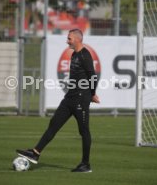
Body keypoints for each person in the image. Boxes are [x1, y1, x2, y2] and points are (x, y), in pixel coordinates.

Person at [16, 29, 100, 173]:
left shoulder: (85, 55)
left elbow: (93, 76)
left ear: (78, 39)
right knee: (54, 124)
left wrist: (92, 94)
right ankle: (35, 153)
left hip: (81, 99)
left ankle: (85, 164)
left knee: (84, 131)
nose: (67, 41)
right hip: (69, 99)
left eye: (69, 38)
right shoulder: (74, 54)